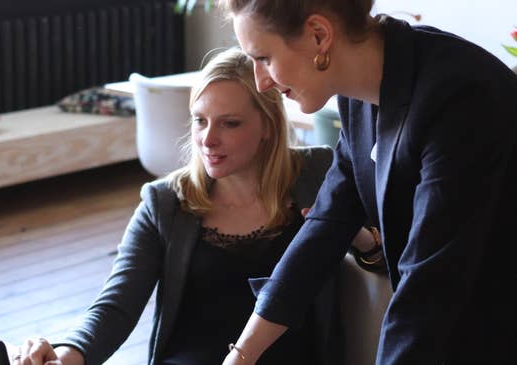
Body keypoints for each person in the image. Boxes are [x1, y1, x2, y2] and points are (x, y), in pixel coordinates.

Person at [13, 47, 382, 365]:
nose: (208, 139)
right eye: (200, 121)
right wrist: (70, 351)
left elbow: (387, 262)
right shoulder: (165, 202)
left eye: (230, 123)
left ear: (267, 125)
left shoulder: (317, 172)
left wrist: (358, 238)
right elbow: (116, 305)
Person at [217, 1, 517, 364]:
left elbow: (429, 287)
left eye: (263, 57)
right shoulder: (359, 93)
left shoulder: (459, 95)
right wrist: (242, 354)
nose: (260, 81)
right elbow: (328, 222)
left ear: (319, 36)